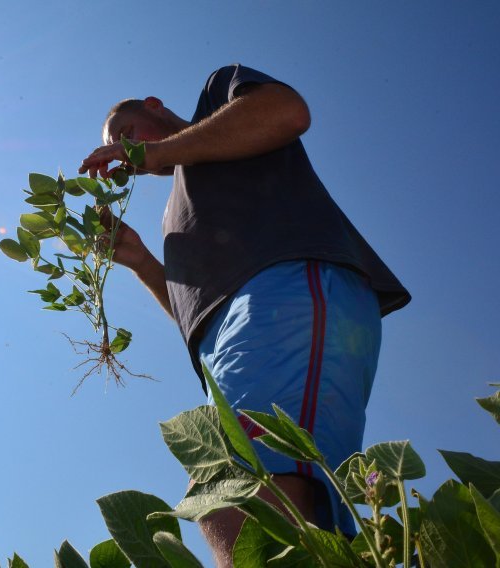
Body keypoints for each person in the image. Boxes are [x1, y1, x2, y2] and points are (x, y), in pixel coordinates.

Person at [79, 63, 410, 566]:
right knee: (249, 501)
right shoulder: (174, 212)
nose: (126, 152)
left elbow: (287, 111)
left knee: (234, 494)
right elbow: (199, 315)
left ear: (153, 105)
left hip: (288, 289)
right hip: (228, 339)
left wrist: (153, 151)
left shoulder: (219, 99)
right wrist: (142, 260)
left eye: (127, 133)